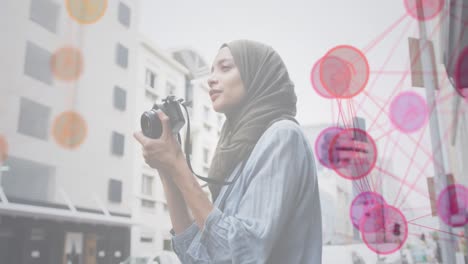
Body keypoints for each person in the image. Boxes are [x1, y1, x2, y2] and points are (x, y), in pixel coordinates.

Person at [134, 39, 322, 263]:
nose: (212, 78)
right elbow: (197, 257)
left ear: (256, 75)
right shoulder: (238, 156)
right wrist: (167, 170)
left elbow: (241, 254)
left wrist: (178, 165)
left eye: (225, 68)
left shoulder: (283, 136)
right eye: (212, 70)